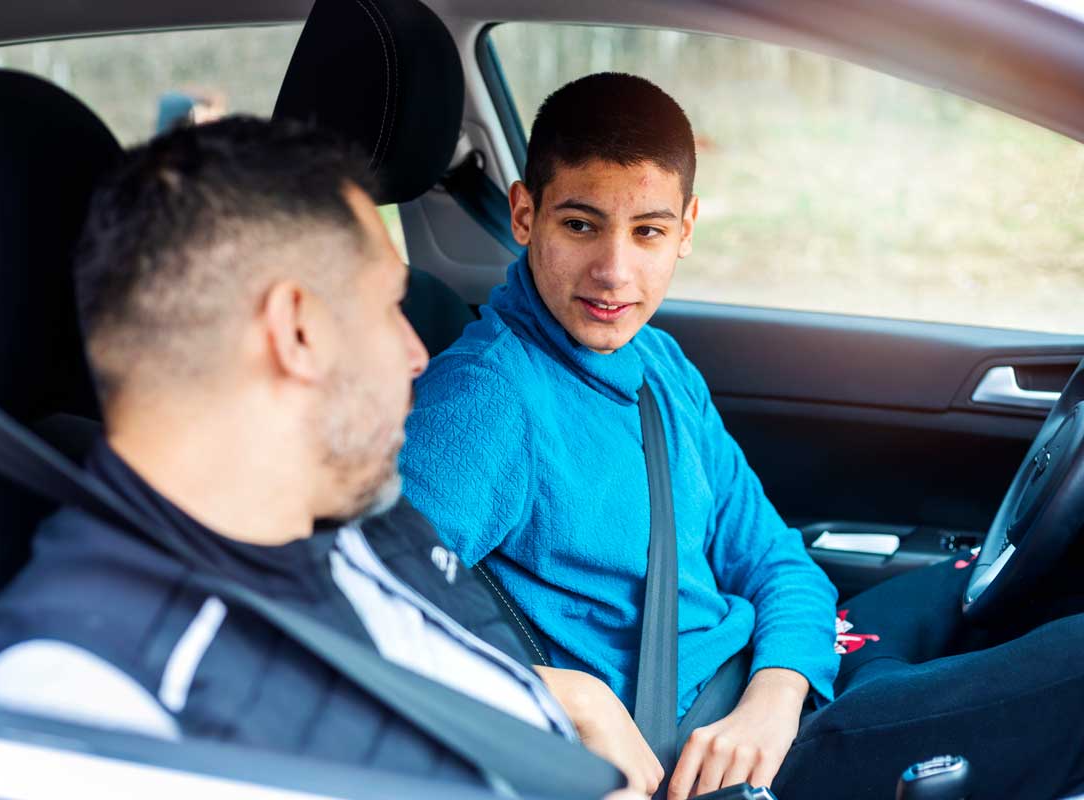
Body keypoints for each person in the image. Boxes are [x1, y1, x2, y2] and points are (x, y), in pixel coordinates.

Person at [400, 72, 1084, 799]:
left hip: (769, 691)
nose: (614, 270)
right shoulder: (485, 401)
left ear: (686, 229)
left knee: (1006, 593)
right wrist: (568, 697)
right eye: (580, 224)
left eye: (648, 231)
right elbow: (361, 610)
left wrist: (778, 691)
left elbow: (771, 554)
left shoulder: (657, 364)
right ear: (525, 214)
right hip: (710, 766)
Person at [0, 116, 642, 798]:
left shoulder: (354, 514)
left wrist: (567, 697)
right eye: (389, 307)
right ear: (299, 331)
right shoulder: (89, 707)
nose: (416, 353)